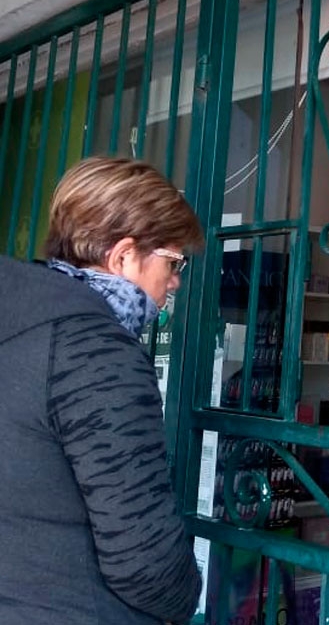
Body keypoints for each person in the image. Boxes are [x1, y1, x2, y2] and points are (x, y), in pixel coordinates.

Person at [0, 157, 204, 624]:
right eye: (173, 262)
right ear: (123, 256)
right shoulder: (95, 350)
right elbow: (144, 560)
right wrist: (187, 596)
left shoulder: (19, 321)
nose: (175, 280)